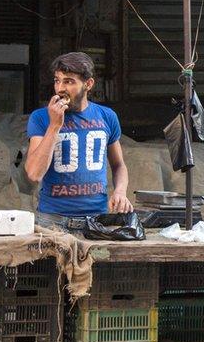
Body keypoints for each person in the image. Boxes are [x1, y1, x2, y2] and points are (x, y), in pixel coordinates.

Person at [25, 52, 132, 234]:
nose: (60, 88)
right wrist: (54, 126)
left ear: (88, 84)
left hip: (97, 220)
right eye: (57, 80)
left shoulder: (107, 116)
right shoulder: (41, 117)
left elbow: (119, 165)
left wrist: (120, 191)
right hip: (52, 222)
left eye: (69, 81)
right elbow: (34, 174)